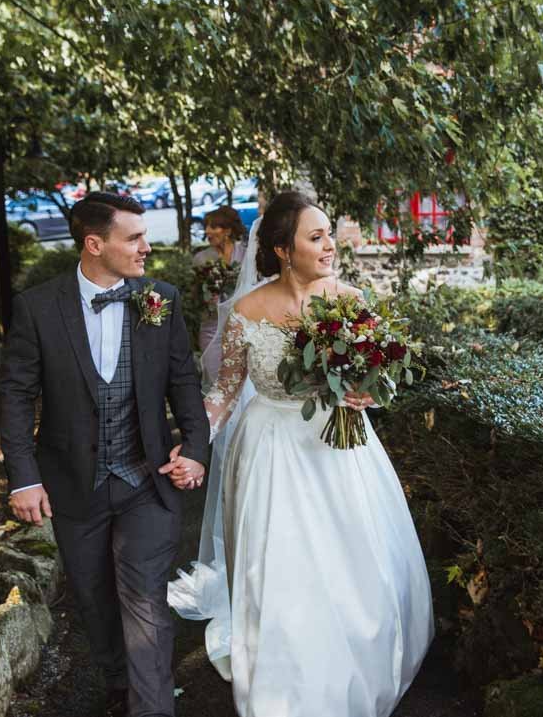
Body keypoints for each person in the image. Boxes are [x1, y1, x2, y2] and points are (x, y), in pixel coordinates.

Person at [168, 191, 434, 717]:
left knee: (353, 560)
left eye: (330, 233)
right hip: (269, 450)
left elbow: (378, 382)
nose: (331, 245)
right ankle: (284, 682)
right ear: (282, 250)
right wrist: (194, 445)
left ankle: (359, 663)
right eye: (317, 237)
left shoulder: (353, 301)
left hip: (341, 448)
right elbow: (224, 391)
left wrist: (367, 393)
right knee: (279, 566)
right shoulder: (246, 310)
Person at [0, 191, 209, 717]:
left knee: (143, 595)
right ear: (94, 244)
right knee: (94, 598)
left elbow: (185, 381)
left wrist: (197, 448)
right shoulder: (37, 307)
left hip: (148, 479)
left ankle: (152, 707)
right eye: (134, 238)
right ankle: (120, 681)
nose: (146, 247)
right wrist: (23, 478)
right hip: (74, 483)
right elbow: (17, 397)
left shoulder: (161, 299)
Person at [192, 205, 247, 359]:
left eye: (213, 227)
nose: (207, 231)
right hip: (212, 326)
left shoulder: (245, 254)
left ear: (228, 231)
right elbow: (196, 296)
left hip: (242, 325)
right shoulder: (201, 259)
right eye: (206, 227)